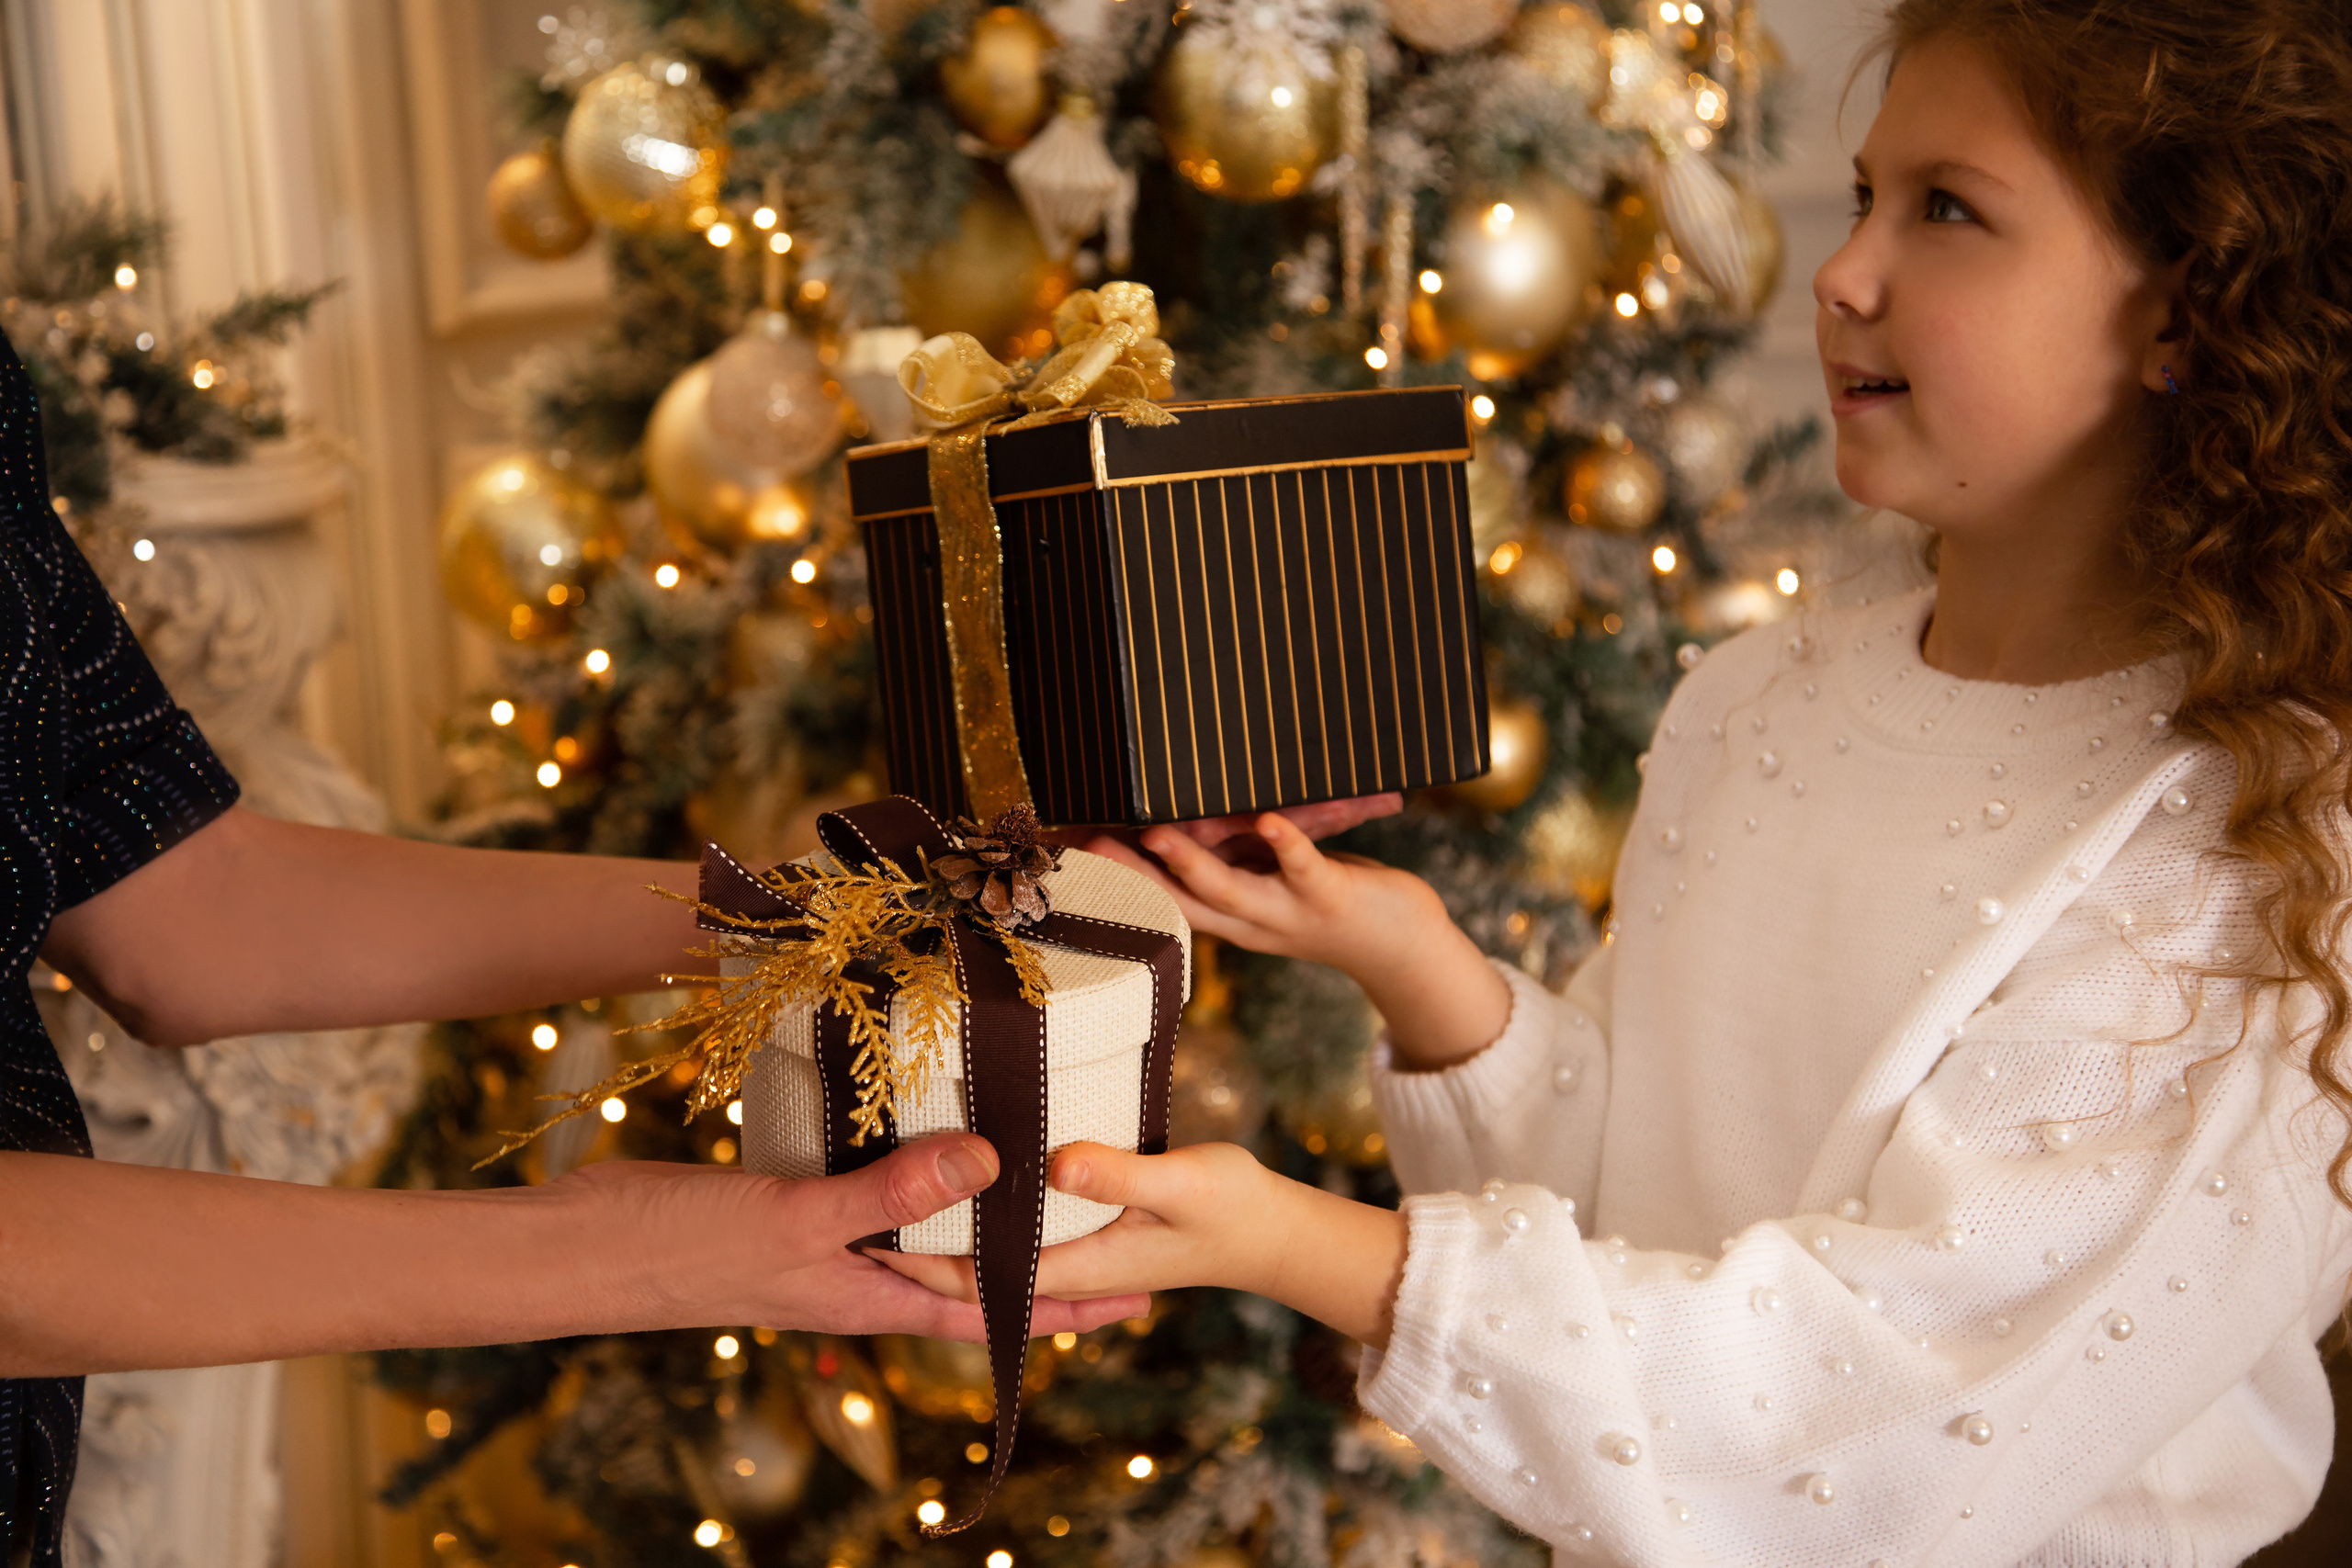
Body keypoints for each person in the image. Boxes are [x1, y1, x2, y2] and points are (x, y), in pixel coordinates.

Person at [890, 2, 2352, 1561]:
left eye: (1949, 210)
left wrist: (1308, 1247)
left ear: (2190, 310)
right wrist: (1415, 962)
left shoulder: (2256, 867)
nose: (1845, 274)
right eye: (1862, 196)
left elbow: (1870, 1428)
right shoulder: (1767, 695)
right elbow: (1628, 1199)